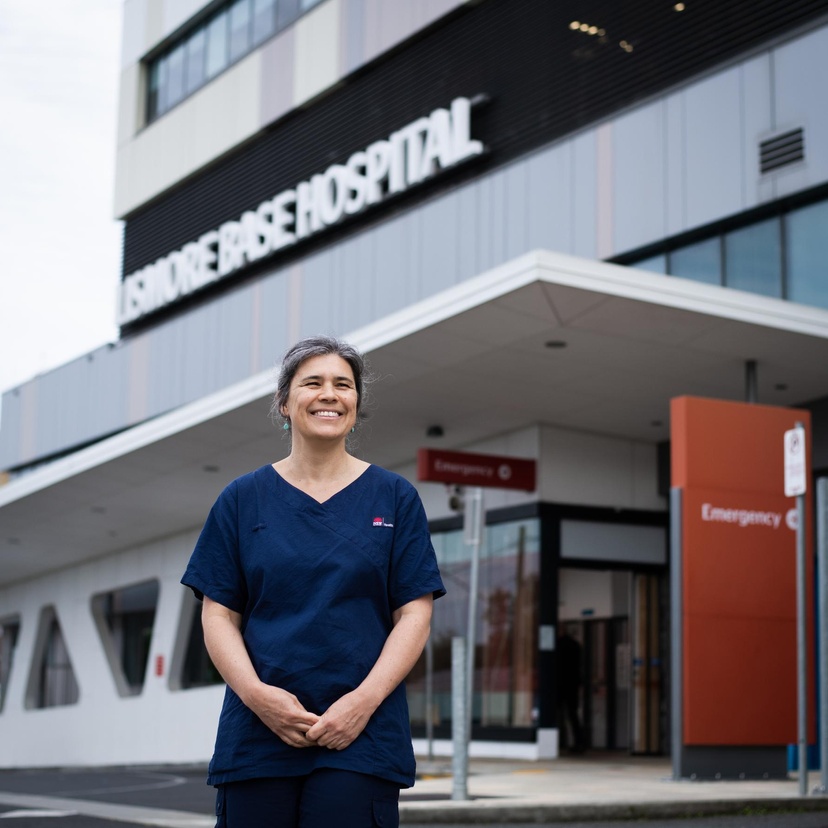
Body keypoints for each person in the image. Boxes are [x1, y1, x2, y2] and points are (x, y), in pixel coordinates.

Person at [181, 336, 446, 828]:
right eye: (313, 383)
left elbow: (415, 612)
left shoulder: (394, 497)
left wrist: (361, 703)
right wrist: (258, 697)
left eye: (343, 385)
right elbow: (218, 614)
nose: (330, 394)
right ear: (285, 403)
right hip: (259, 732)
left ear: (356, 404)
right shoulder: (242, 499)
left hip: (361, 732)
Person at [556, 627, 585, 754]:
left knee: (558, 714)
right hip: (572, 684)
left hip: (560, 684)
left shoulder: (558, 645)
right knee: (573, 715)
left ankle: (559, 742)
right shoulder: (576, 645)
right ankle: (579, 743)